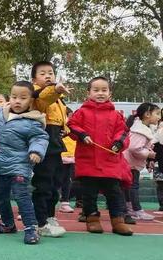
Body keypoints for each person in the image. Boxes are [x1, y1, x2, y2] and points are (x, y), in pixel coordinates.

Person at [0, 81, 48, 244]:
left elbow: (40, 138)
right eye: (14, 97)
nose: (17, 101)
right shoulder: (1, 114)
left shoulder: (32, 121)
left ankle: (31, 229)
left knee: (22, 196)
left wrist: (36, 151)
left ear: (31, 101)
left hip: (19, 167)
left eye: (23, 98)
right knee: (0, 197)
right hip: (0, 166)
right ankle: (7, 224)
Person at [68, 76, 133, 236]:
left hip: (110, 162)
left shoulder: (116, 115)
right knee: (89, 194)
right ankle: (92, 220)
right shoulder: (81, 112)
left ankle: (118, 221)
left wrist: (118, 143)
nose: (100, 93)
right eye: (96, 90)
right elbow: (72, 126)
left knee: (115, 193)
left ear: (110, 93)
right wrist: (82, 135)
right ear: (88, 92)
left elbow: (123, 132)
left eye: (104, 90)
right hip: (88, 162)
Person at [31, 61, 70, 237]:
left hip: (55, 142)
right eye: (43, 73)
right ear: (34, 79)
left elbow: (61, 119)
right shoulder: (37, 94)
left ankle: (50, 216)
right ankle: (40, 222)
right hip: (43, 142)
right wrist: (56, 89)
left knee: (55, 183)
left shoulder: (57, 98)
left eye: (51, 73)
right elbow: (45, 97)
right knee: (43, 184)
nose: (48, 76)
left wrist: (67, 129)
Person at [123, 103, 160, 221]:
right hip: (131, 164)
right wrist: (149, 154)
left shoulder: (140, 128)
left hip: (129, 163)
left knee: (128, 187)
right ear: (147, 115)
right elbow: (134, 148)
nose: (159, 117)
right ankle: (137, 210)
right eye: (157, 114)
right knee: (133, 187)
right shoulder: (140, 131)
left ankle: (129, 209)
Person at [59, 108, 76, 213]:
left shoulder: (72, 126)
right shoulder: (56, 125)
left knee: (67, 180)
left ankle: (65, 202)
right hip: (57, 155)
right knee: (52, 180)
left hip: (69, 157)